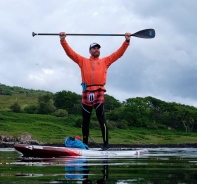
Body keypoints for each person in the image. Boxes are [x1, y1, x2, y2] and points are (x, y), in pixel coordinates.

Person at [59, 32, 131, 150]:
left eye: (98, 48)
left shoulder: (105, 61)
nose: (96, 50)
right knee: (85, 121)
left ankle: (106, 145)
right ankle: (85, 145)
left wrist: (126, 41)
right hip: (86, 92)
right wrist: (63, 40)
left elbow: (118, 54)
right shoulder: (82, 61)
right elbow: (70, 53)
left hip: (99, 91)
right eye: (94, 48)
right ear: (90, 51)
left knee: (101, 119)